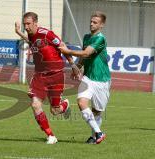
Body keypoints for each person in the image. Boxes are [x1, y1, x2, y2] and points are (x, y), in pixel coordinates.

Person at [15, 12, 81, 144]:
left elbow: (63, 48)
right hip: (39, 76)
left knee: (55, 111)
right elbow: (30, 41)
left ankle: (65, 104)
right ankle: (50, 135)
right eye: (24, 24)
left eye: (28, 24)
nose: (26, 27)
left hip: (56, 75)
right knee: (35, 104)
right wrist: (19, 33)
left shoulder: (47, 34)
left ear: (35, 23)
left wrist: (73, 65)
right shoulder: (30, 34)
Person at [59, 11, 111, 144]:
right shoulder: (87, 37)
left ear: (102, 25)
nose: (91, 24)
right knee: (81, 102)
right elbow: (83, 56)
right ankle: (99, 133)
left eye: (95, 22)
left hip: (102, 80)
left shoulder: (101, 38)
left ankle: (94, 136)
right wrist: (77, 67)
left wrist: (67, 51)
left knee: (97, 111)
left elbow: (87, 53)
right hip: (88, 77)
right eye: (91, 21)